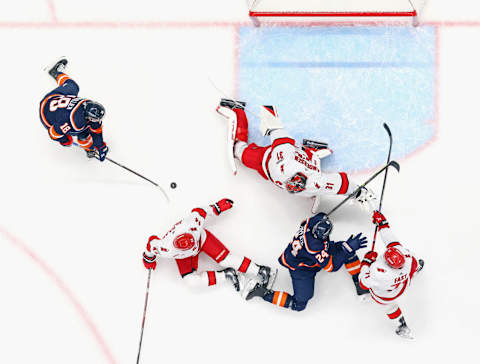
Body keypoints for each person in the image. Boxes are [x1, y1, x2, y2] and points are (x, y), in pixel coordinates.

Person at [216, 99, 375, 212]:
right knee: (239, 150)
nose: (290, 187)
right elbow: (278, 132)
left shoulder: (315, 182)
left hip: (296, 161)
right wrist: (269, 115)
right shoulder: (283, 156)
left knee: (312, 186)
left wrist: (360, 192)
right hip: (263, 158)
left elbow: (342, 183)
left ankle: (310, 150)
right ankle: (237, 110)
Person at [142, 199, 276, 293]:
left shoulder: (192, 224)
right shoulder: (165, 248)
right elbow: (151, 244)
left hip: (202, 239)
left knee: (226, 259)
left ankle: (261, 270)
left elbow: (201, 211)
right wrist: (148, 259)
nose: (190, 245)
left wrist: (218, 207)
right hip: (184, 257)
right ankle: (227, 274)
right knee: (191, 282)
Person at [246, 212, 369, 311]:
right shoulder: (314, 248)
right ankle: (263, 293)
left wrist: (324, 218)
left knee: (345, 249)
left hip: (301, 255)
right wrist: (348, 248)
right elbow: (331, 267)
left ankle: (359, 282)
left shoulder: (310, 223)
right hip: (301, 269)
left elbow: (320, 215)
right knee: (299, 304)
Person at [359, 210, 424, 339]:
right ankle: (416, 271)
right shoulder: (406, 257)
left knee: (390, 307)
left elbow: (363, 282)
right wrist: (383, 224)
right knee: (413, 266)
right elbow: (392, 241)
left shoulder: (379, 272)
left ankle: (402, 325)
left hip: (385, 295)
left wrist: (366, 262)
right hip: (403, 285)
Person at [39, 57, 109, 161]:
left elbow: (96, 127)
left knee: (73, 86)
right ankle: (89, 149)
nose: (97, 121)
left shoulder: (87, 105)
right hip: (47, 115)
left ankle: (55, 72)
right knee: (84, 133)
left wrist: (100, 145)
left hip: (55, 99)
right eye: (95, 119)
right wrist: (65, 140)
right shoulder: (73, 121)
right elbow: (53, 133)